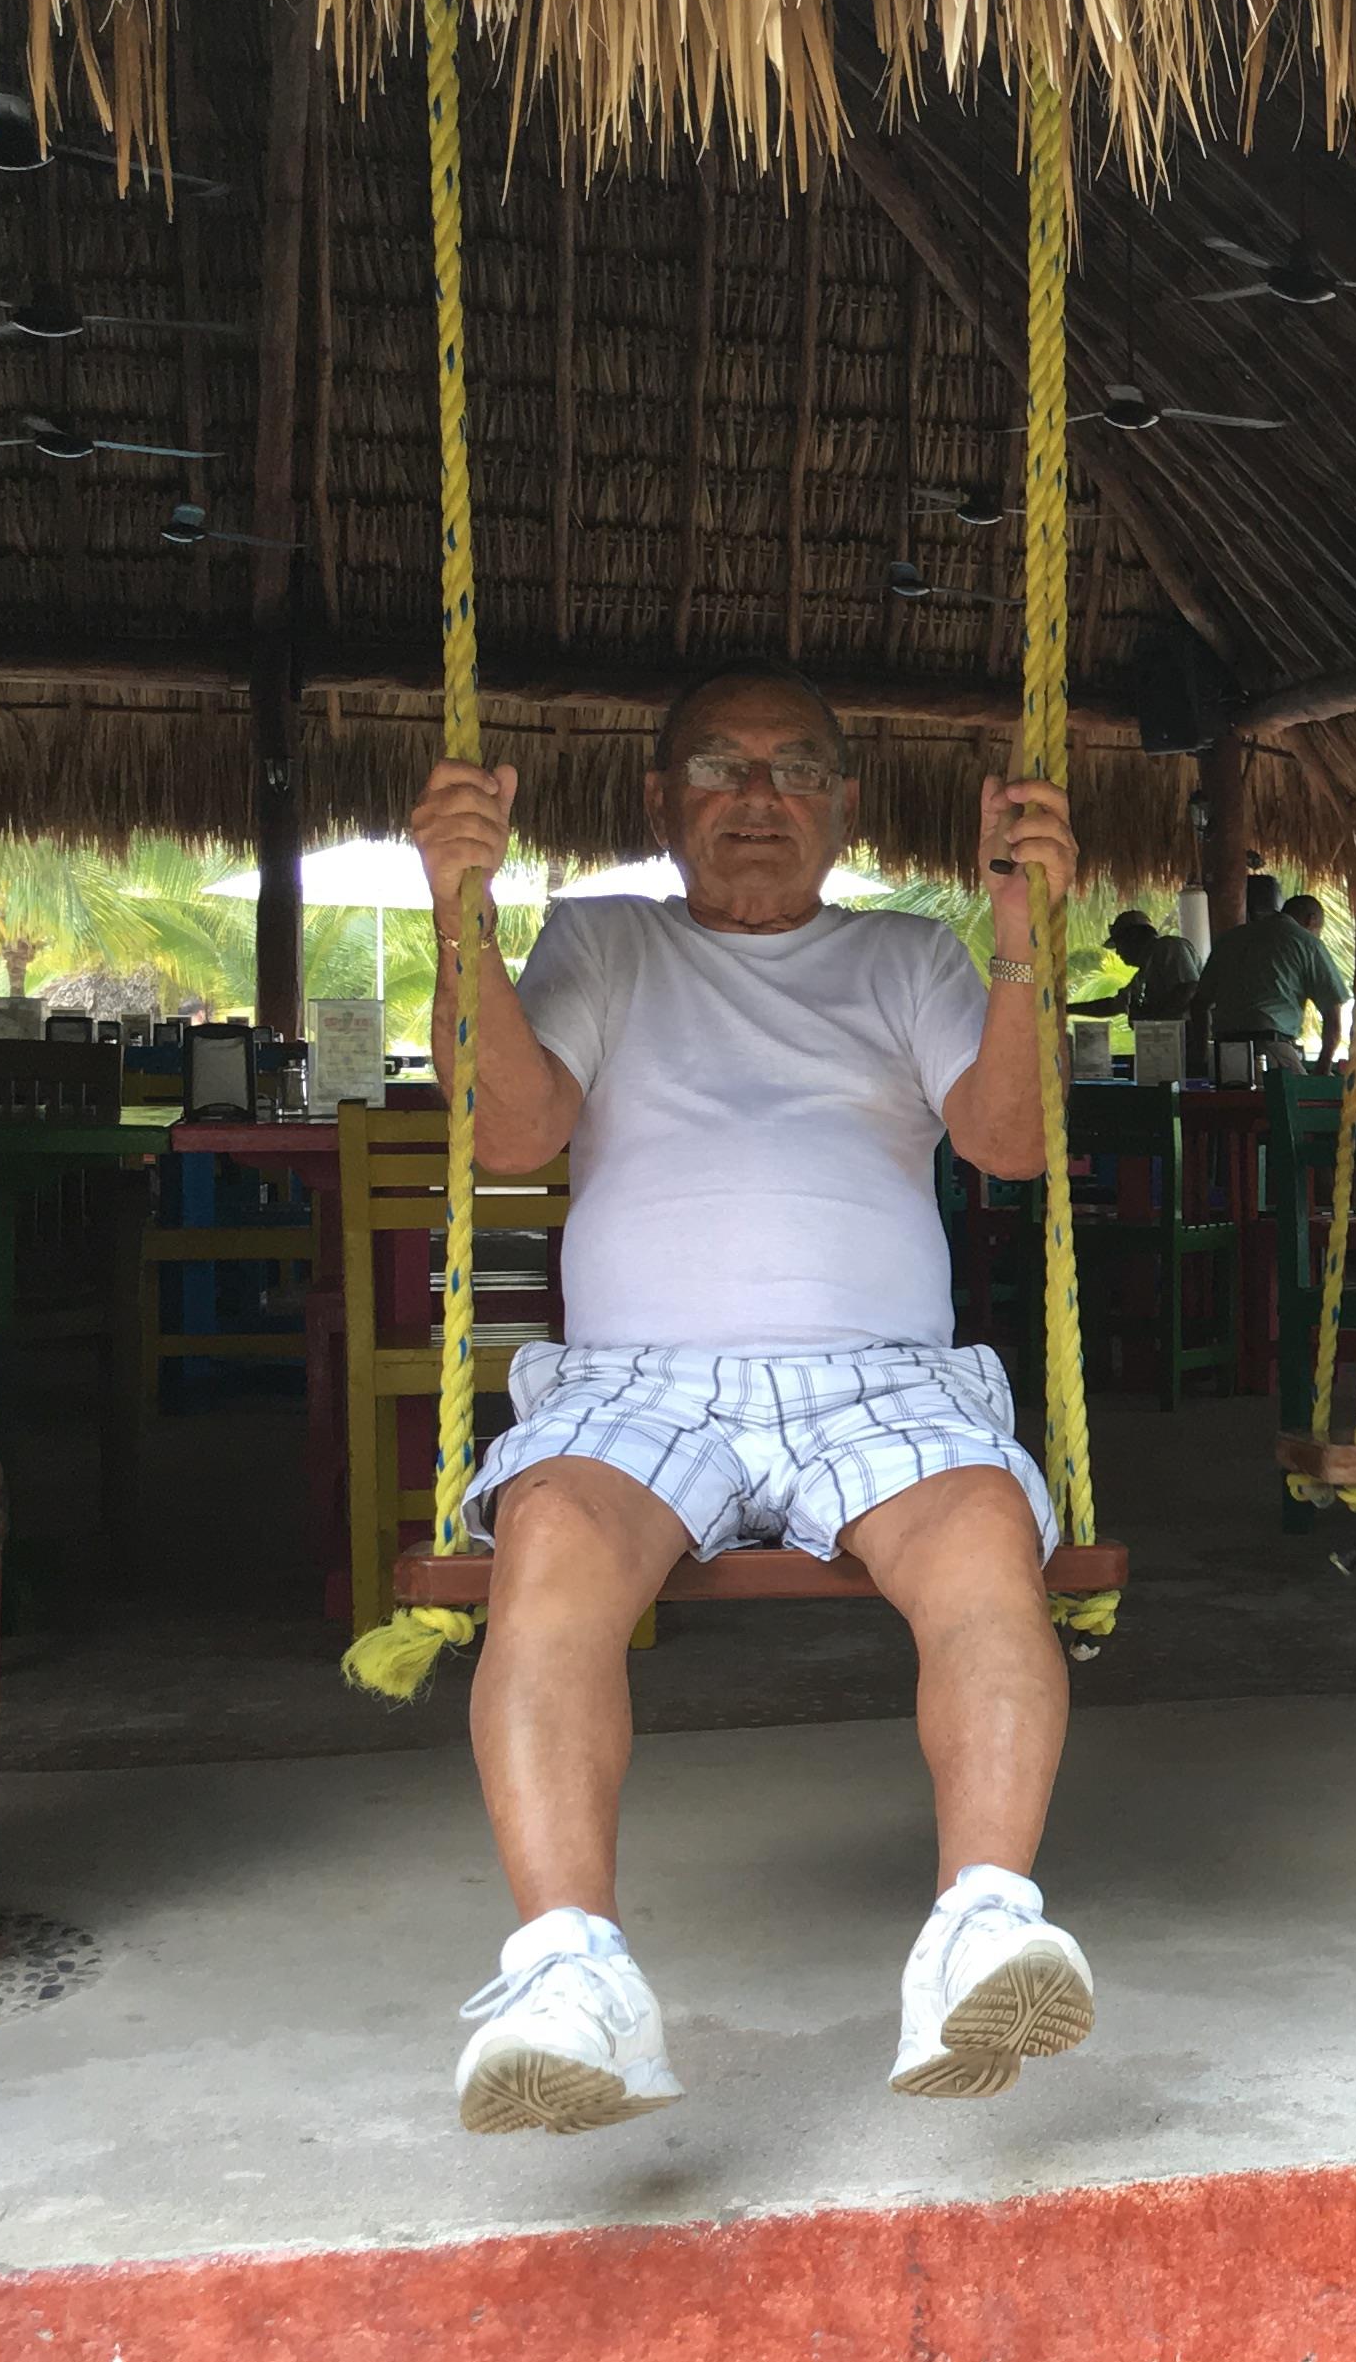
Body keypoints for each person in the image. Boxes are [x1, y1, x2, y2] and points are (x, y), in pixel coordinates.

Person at [405, 661, 1103, 2136]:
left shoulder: (909, 956)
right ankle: (569, 1974)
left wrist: (1024, 939)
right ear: (661, 803)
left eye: (796, 769)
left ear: (846, 806)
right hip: (635, 1387)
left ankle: (980, 1924)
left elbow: (1011, 1146)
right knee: (548, 1554)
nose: (759, 798)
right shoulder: (602, 940)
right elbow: (514, 1136)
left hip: (882, 1377)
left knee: (985, 1534)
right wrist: (461, 921)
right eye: (720, 768)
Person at [1194, 873, 1351, 1075]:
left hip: (1224, 1053)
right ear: (1311, 920)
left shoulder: (1230, 939)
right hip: (1270, 1048)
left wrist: (1201, 1057)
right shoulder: (1306, 943)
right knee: (1299, 1104)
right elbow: (1332, 1013)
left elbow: (1199, 1004)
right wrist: (1323, 1067)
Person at [1088, 910, 1198, 1048]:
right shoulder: (1143, 974)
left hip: (1192, 1042)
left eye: (1119, 944)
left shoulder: (1168, 947)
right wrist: (1066, 1009)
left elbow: (1189, 989)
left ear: (1133, 937)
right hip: (1171, 1045)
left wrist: (1149, 1016)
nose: (1118, 952)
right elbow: (1113, 1005)